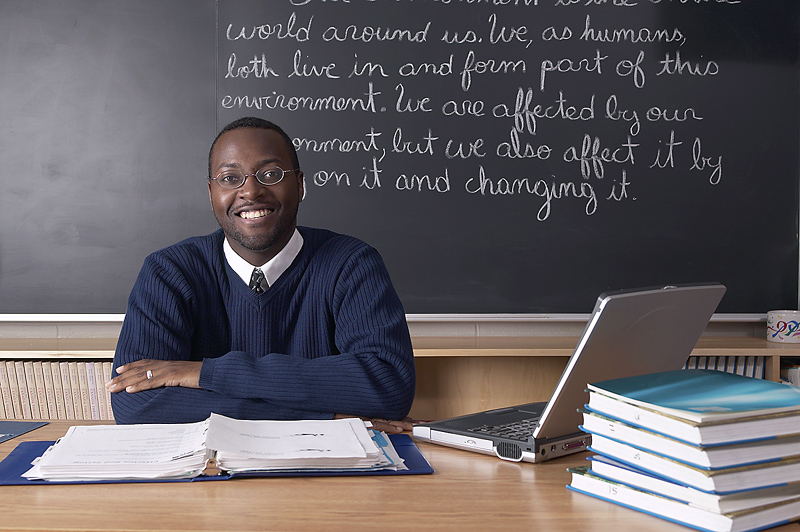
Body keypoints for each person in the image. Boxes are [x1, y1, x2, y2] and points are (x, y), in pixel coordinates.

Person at [105, 117, 416, 433]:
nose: (250, 192)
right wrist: (319, 418)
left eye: (270, 174)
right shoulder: (169, 272)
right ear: (211, 192)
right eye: (230, 178)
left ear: (299, 184)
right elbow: (136, 405)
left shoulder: (351, 263)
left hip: (327, 471)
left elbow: (388, 387)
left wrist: (205, 374)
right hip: (209, 474)